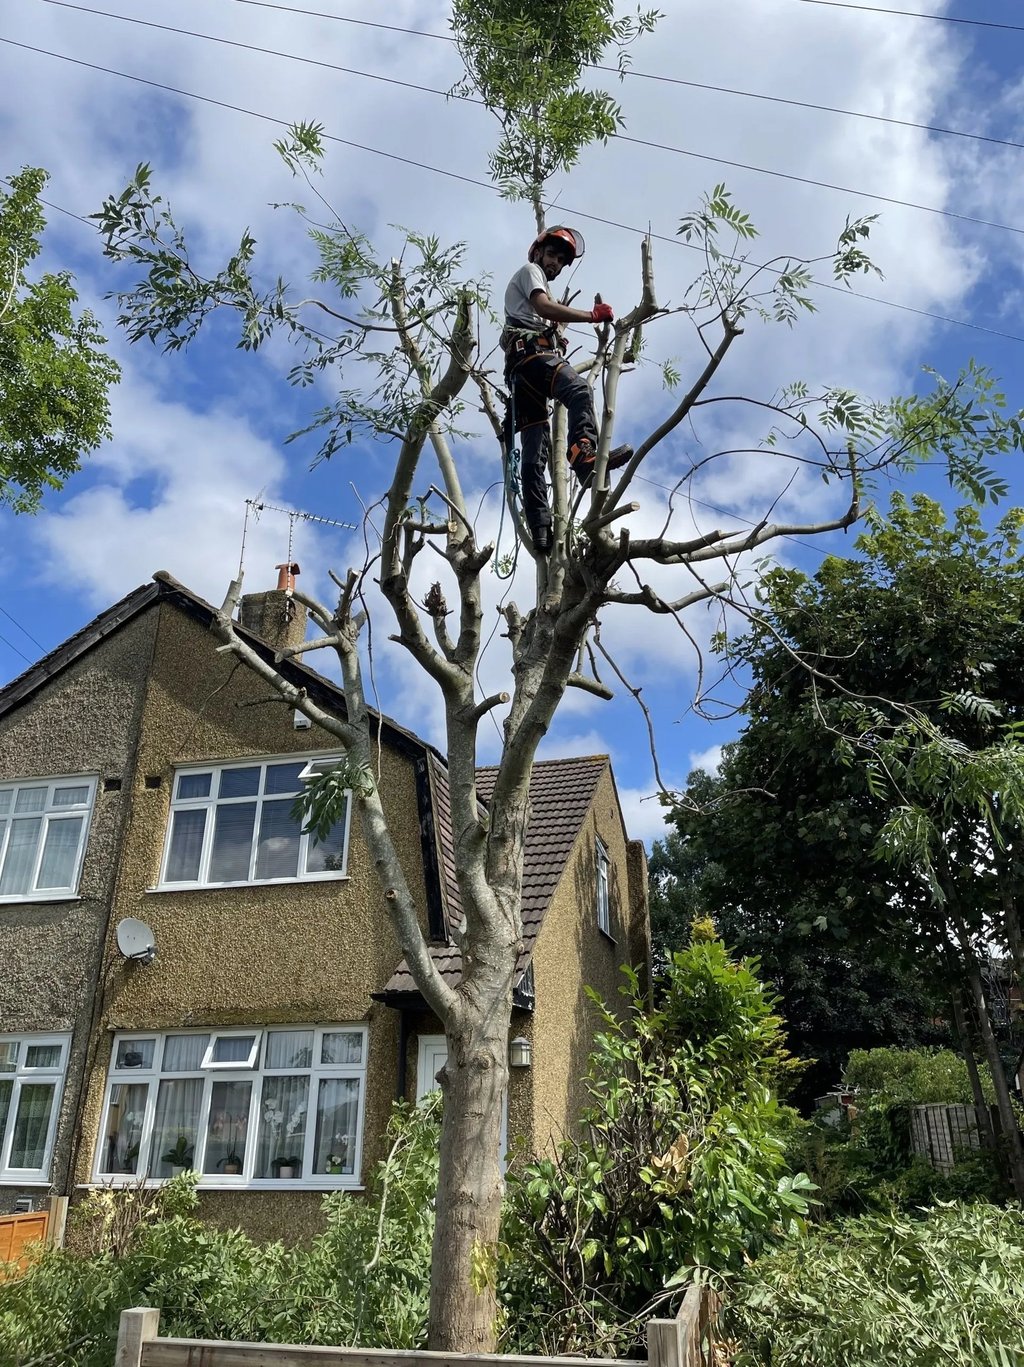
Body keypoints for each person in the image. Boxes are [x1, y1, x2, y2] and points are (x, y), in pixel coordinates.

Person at [502, 225, 632, 554]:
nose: (555, 263)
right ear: (537, 253)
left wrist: (555, 336)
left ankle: (540, 527)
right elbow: (544, 307)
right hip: (532, 360)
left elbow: (540, 316)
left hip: (522, 372)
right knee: (580, 391)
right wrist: (591, 316)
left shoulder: (534, 288)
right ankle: (582, 454)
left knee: (535, 451)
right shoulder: (530, 271)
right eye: (551, 255)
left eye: (561, 261)